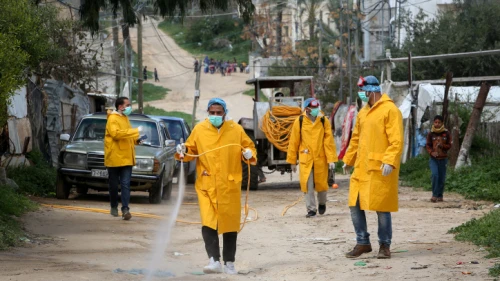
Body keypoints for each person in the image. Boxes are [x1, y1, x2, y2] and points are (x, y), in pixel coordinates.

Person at [175, 98, 257, 275]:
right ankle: (213, 260)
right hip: (207, 184)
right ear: (208, 112)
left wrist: (249, 153)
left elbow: (248, 148)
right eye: (212, 113)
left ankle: (229, 262)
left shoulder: (236, 130)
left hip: (229, 185)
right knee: (208, 221)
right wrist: (183, 150)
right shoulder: (199, 129)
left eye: (219, 113)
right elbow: (191, 149)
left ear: (225, 113)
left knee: (229, 224)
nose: (215, 116)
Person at [342, 75, 403, 259]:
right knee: (355, 205)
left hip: (380, 168)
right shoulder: (362, 112)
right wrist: (348, 159)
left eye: (363, 91)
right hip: (361, 168)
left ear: (372, 90)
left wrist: (390, 161)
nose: (361, 94)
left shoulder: (390, 110)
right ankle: (363, 242)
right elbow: (355, 139)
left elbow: (396, 141)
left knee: (382, 207)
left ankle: (385, 245)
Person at [287, 98, 338, 218]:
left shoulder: (323, 120)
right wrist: (292, 161)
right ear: (307, 109)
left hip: (320, 158)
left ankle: (322, 203)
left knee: (322, 185)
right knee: (307, 184)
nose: (316, 110)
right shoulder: (299, 121)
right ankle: (311, 209)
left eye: (317, 107)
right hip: (306, 158)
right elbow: (294, 141)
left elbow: (328, 141)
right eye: (313, 108)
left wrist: (331, 159)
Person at [104, 97, 145, 220]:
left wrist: (137, 140)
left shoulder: (125, 118)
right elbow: (116, 134)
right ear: (120, 107)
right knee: (114, 185)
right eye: (128, 105)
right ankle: (113, 206)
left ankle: (125, 209)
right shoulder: (112, 119)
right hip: (115, 157)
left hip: (126, 157)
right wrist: (135, 131)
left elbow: (127, 135)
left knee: (126, 184)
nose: (129, 107)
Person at [426, 115, 451, 203]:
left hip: (443, 158)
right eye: (435, 122)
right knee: (435, 175)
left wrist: (442, 146)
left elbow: (449, 145)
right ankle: (434, 195)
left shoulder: (446, 133)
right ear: (433, 123)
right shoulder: (431, 133)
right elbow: (428, 145)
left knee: (441, 177)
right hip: (433, 159)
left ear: (442, 123)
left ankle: (440, 195)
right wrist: (431, 152)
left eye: (439, 122)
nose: (437, 124)